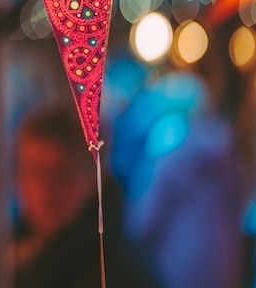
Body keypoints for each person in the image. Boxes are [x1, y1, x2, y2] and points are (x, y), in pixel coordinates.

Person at [12, 104, 160, 288]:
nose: (45, 188)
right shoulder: (9, 256)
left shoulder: (119, 275)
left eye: (62, 174)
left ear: (94, 179)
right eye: (34, 171)